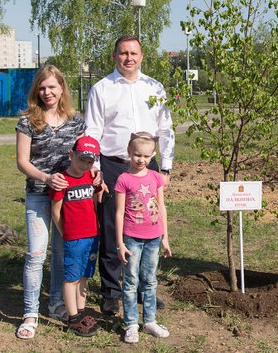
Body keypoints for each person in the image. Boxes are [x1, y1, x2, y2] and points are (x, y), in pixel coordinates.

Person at [85, 35, 175, 315]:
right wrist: (96, 170)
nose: (128, 58)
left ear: (142, 55)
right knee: (113, 227)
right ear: (115, 56)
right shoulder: (102, 89)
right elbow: (92, 132)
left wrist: (167, 167)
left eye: (133, 53)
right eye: (123, 53)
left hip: (148, 167)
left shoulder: (154, 87)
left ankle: (142, 287)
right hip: (113, 165)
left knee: (146, 225)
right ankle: (112, 290)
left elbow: (166, 129)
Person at [15, 65, 93, 339]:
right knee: (36, 255)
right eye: (43, 87)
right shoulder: (27, 120)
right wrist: (47, 178)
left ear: (62, 88)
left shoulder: (76, 121)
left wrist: (94, 172)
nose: (47, 92)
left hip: (70, 200)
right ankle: (30, 312)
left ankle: (57, 303)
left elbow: (86, 157)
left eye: (53, 87)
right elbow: (22, 161)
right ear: (37, 90)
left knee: (62, 254)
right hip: (39, 194)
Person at [114, 132, 172, 344]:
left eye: (146, 156)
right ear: (129, 153)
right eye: (137, 155)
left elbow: (162, 207)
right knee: (130, 281)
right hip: (132, 239)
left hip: (154, 238)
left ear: (152, 156)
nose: (141, 160)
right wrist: (120, 243)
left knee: (150, 280)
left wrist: (165, 237)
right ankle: (130, 323)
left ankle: (149, 320)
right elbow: (119, 212)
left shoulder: (156, 177)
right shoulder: (123, 179)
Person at [50, 136, 102, 336]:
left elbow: (99, 192)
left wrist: (101, 180)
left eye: (90, 161)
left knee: (85, 275)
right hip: (73, 238)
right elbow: (56, 211)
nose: (85, 165)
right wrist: (66, 233)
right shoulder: (62, 180)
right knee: (71, 277)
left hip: (92, 235)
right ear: (71, 155)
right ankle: (72, 318)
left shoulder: (91, 176)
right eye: (82, 159)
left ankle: (81, 312)